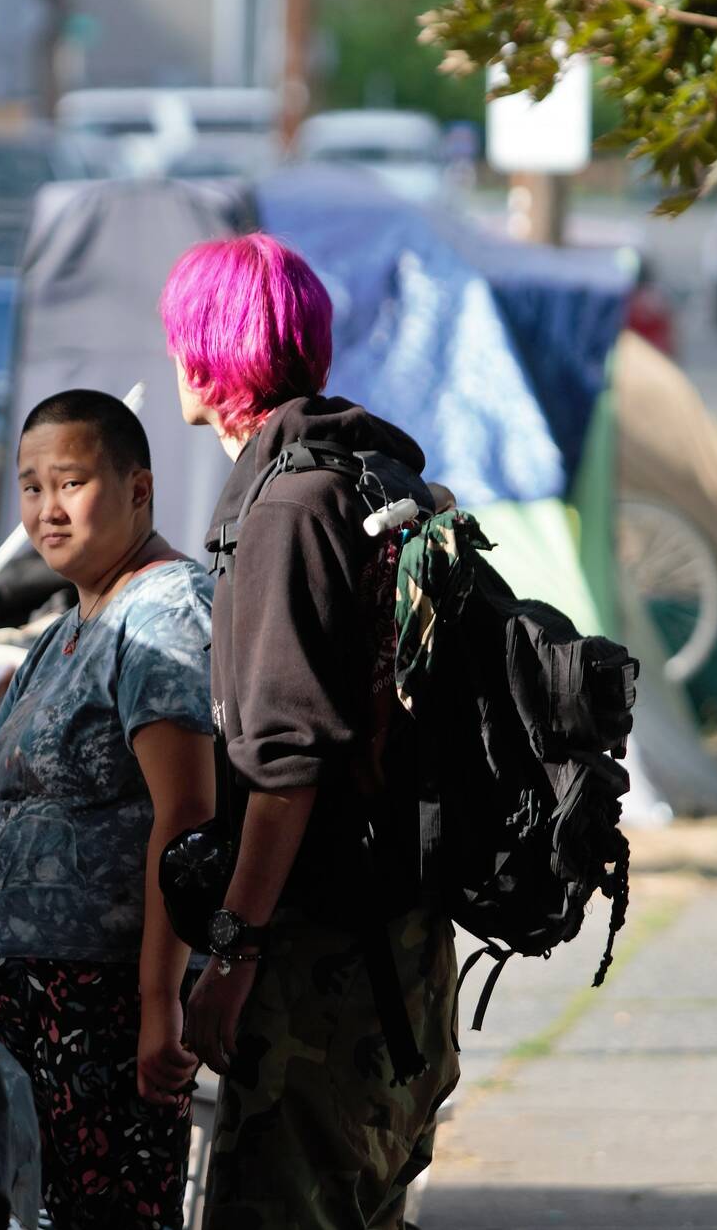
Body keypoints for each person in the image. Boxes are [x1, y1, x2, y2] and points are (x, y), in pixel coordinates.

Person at [161, 234, 460, 1228]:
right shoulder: (369, 472)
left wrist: (231, 954)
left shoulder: (287, 510)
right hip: (402, 959)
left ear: (206, 357)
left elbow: (286, 765)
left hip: (320, 986)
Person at [0, 389, 215, 1230]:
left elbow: (188, 815)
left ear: (138, 489)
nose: (48, 509)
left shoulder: (163, 613)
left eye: (72, 482)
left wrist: (161, 1003)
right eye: (30, 486)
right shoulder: (64, 629)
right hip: (40, 1025)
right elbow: (52, 798)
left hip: (108, 1015)